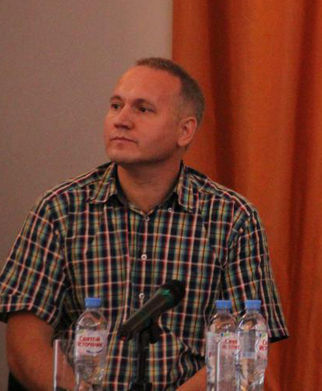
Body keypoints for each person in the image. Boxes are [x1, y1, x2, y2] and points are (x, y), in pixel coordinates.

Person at [0, 58, 288, 390]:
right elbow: (24, 344)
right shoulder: (59, 210)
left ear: (185, 131)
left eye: (143, 109)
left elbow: (247, 349)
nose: (121, 120)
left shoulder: (232, 218)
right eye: (115, 106)